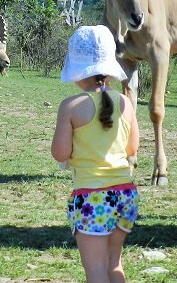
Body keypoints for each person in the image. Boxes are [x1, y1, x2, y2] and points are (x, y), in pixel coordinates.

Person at [51, 25, 139, 283]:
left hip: (92, 197)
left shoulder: (71, 107)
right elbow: (132, 148)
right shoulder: (125, 102)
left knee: (96, 269)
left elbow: (60, 153)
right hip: (125, 194)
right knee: (114, 264)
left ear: (77, 70)